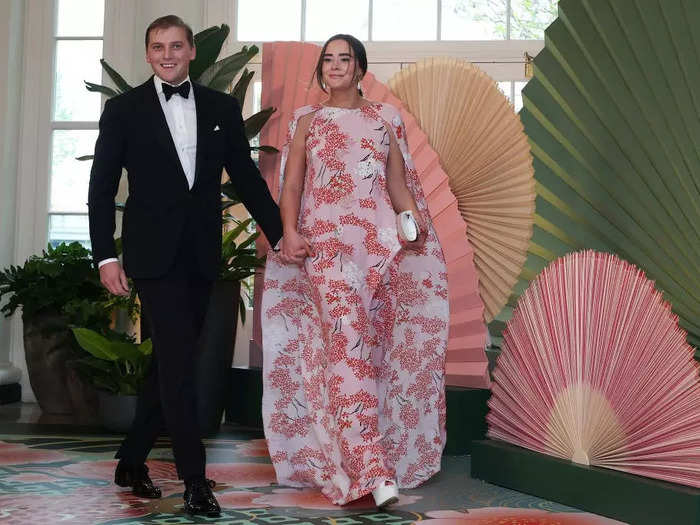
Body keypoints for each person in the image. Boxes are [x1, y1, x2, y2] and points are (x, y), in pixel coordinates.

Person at [88, 15, 283, 517]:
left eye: (177, 46)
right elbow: (102, 189)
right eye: (158, 47)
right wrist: (105, 256)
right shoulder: (123, 110)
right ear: (148, 54)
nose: (168, 55)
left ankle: (131, 459)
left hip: (200, 256)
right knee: (180, 364)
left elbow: (246, 176)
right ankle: (196, 479)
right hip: (152, 258)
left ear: (192, 51)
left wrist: (281, 234)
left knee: (168, 363)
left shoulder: (221, 107)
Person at [261, 34, 449, 507]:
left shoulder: (386, 118)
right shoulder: (306, 121)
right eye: (328, 59)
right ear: (321, 69)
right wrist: (290, 232)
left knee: (374, 352)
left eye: (345, 59)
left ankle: (361, 454)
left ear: (360, 67)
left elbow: (398, 184)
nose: (336, 66)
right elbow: (292, 185)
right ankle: (372, 469)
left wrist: (411, 225)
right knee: (348, 344)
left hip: (379, 250)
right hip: (324, 250)